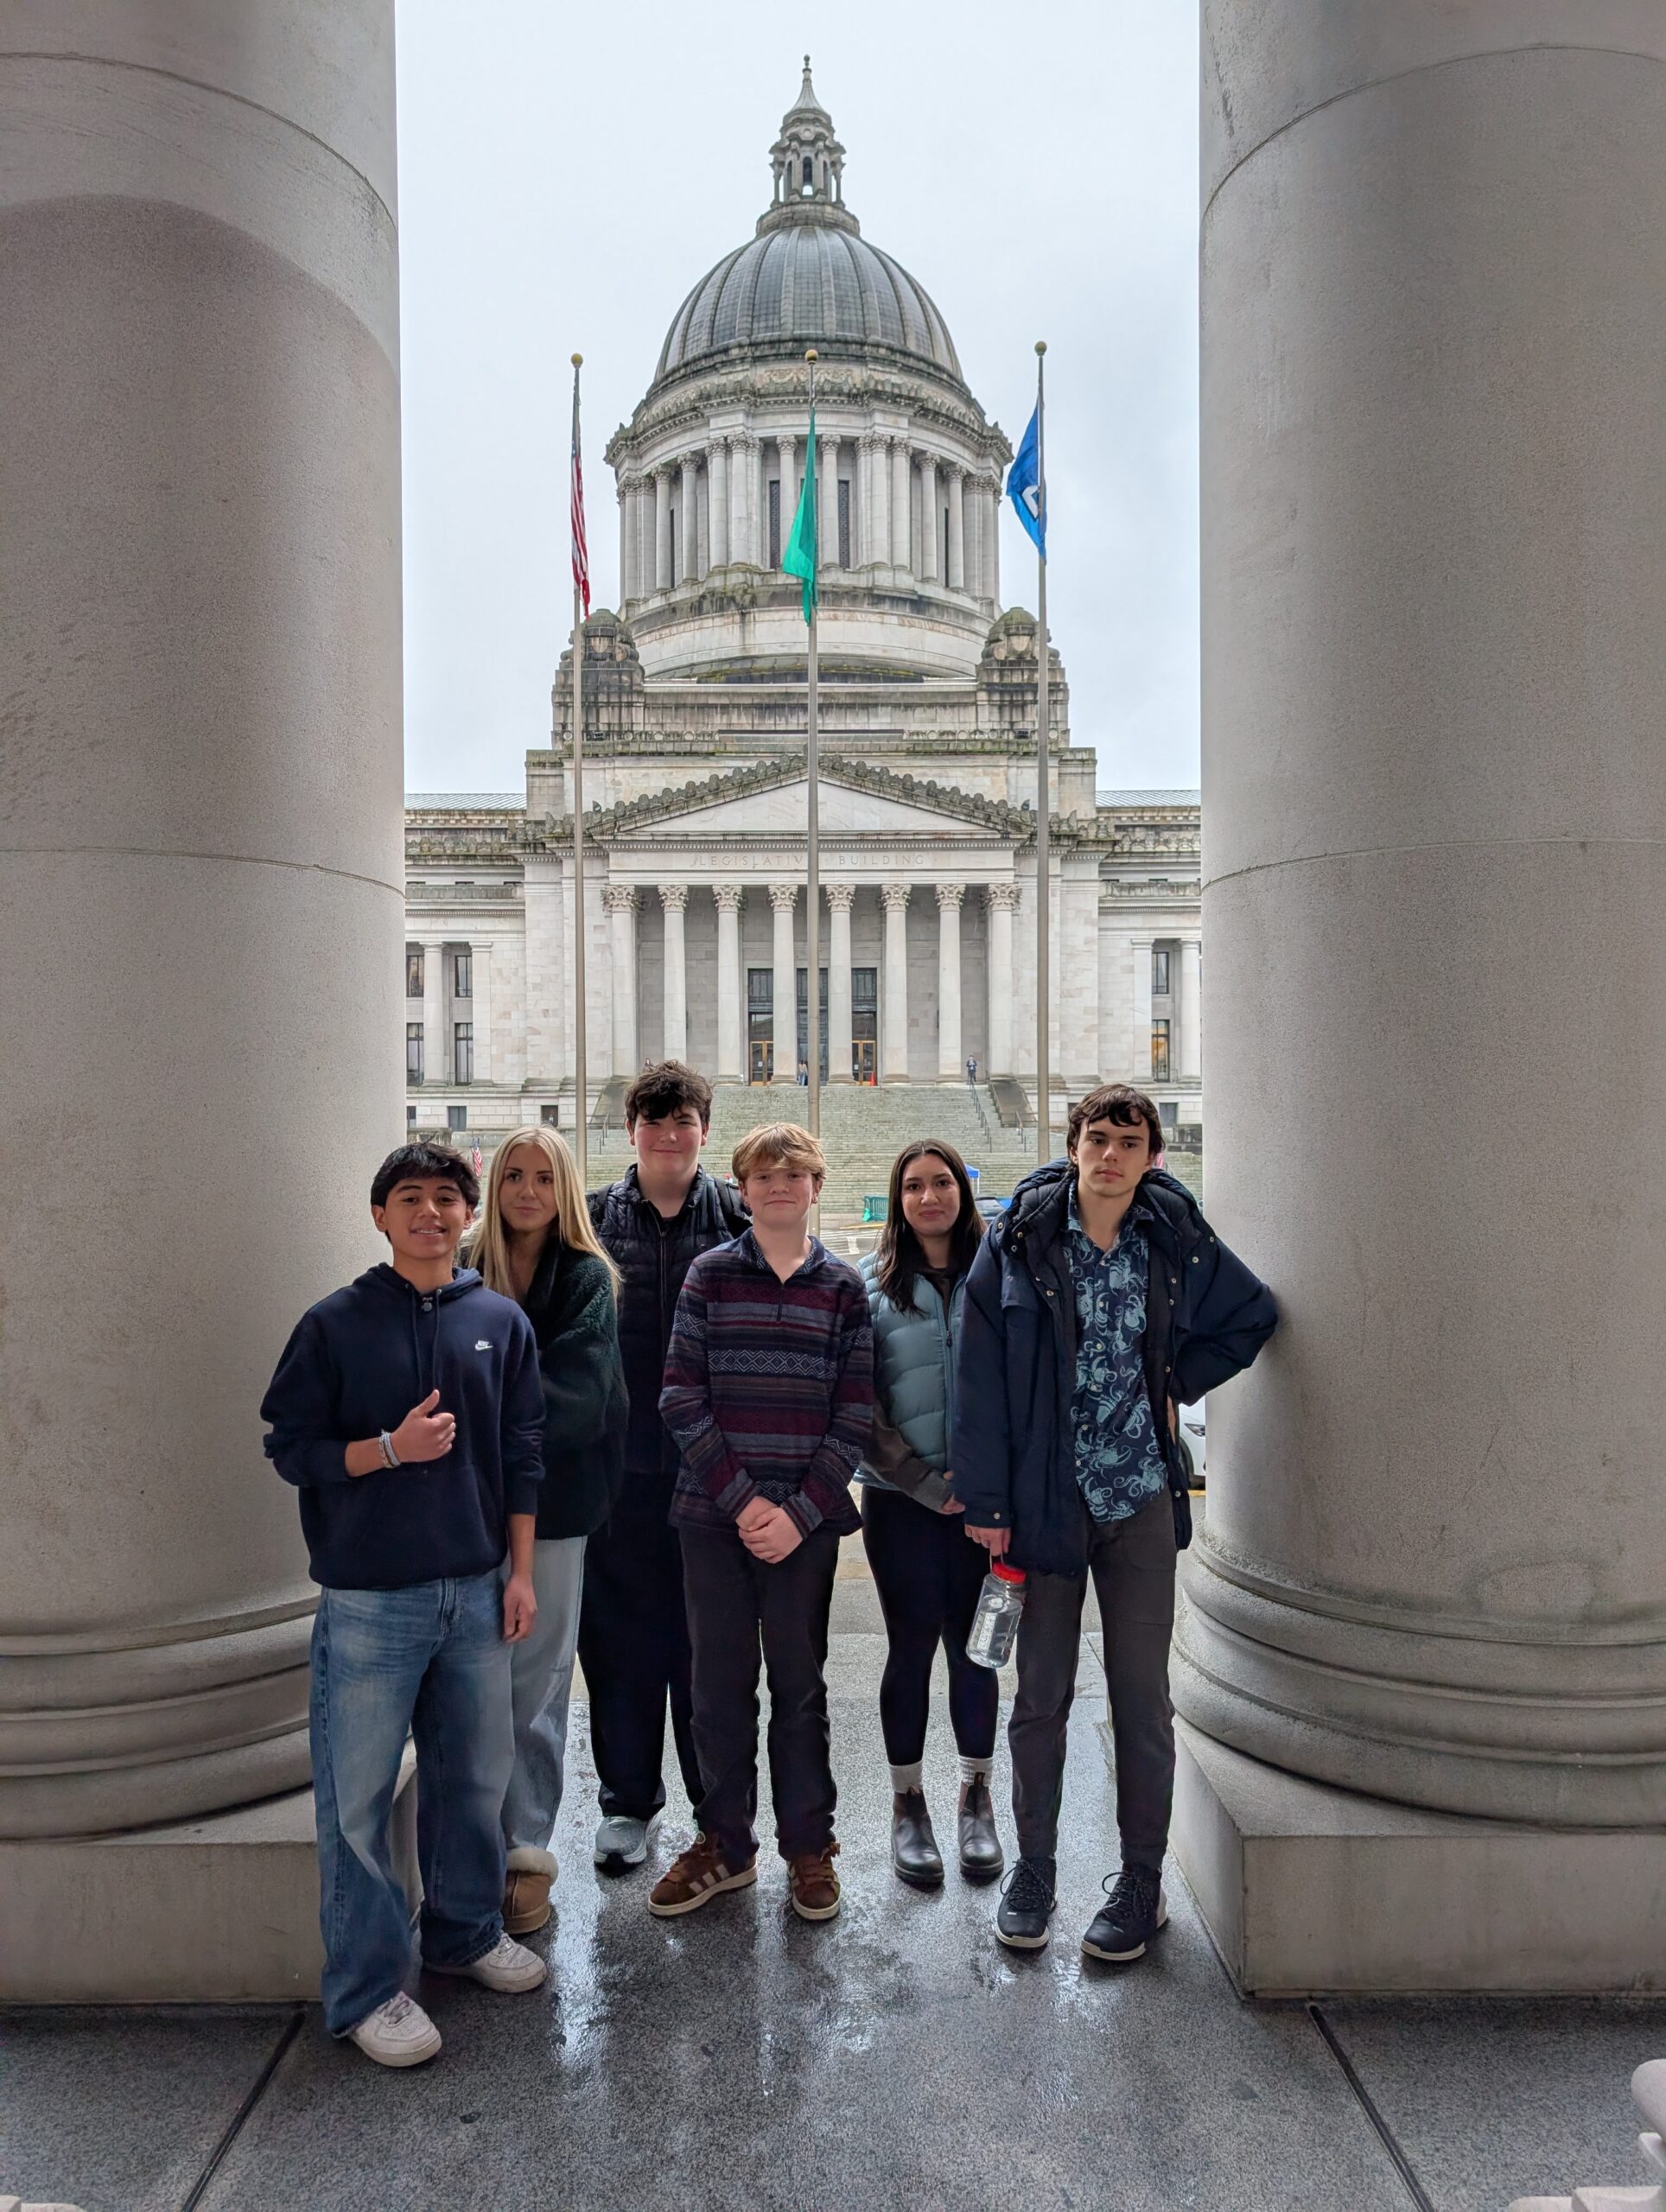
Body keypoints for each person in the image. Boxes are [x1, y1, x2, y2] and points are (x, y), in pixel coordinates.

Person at [954, 1085, 1275, 1962]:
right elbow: (974, 1374)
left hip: (1135, 1497)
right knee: (1039, 1699)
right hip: (1043, 1503)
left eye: (1127, 1142)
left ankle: (1140, 1882)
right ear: (1071, 1145)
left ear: (1149, 1156)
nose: (1109, 1155)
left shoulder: (1171, 1239)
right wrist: (987, 1505)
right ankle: (1035, 1871)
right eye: (1096, 1138)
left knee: (1141, 1700)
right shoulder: (1019, 1241)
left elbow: (1251, 1316)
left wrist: (1174, 1379)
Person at [261, 1143, 550, 2070]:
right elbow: (293, 1446)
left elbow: (523, 1452)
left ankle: (462, 1934)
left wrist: (518, 1572)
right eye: (409, 1198)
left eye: (446, 1198)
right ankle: (365, 1990)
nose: (429, 1212)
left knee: (472, 1783)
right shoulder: (333, 1324)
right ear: (380, 1215)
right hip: (369, 1601)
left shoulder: (499, 1321)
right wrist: (388, 1449)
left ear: (468, 1214)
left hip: (473, 1589)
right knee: (357, 1806)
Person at [651, 1123, 873, 1924]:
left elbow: (854, 1416)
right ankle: (725, 1844)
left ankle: (809, 1846)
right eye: (763, 1173)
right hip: (714, 1520)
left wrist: (800, 1510)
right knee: (715, 1689)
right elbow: (679, 1394)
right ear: (741, 1189)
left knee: (800, 1687)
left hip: (805, 1530)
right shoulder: (709, 1277)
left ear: (817, 1186)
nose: (779, 1184)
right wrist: (746, 1502)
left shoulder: (844, 1288)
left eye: (795, 1172)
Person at [581, 1062, 748, 1871]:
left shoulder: (738, 1217)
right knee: (619, 1645)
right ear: (632, 1132)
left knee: (706, 1648)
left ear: (704, 1132)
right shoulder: (591, 1223)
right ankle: (626, 1800)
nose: (669, 1136)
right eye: (655, 1123)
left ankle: (713, 1807)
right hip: (620, 1476)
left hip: (710, 1474)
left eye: (683, 1122)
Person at [467, 1126, 626, 1937]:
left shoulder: (587, 1277)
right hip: (460, 1506)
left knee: (536, 1680)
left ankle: (525, 1849)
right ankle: (468, 1853)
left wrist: (481, 1422)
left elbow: (580, 1392)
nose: (527, 1191)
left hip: (557, 1509)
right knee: (468, 1683)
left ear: (564, 1189)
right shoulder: (460, 1268)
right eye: (513, 1176)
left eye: (543, 1177)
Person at [857, 1141, 1003, 1887]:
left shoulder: (1001, 1277)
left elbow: (1021, 1388)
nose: (927, 1197)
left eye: (941, 1182)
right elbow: (861, 1404)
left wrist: (986, 1490)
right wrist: (919, 1480)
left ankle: (977, 1795)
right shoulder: (872, 1287)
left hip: (985, 1510)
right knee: (911, 1647)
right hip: (902, 1504)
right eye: (912, 1185)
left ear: (962, 1191)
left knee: (977, 1650)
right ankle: (907, 1801)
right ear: (898, 1197)